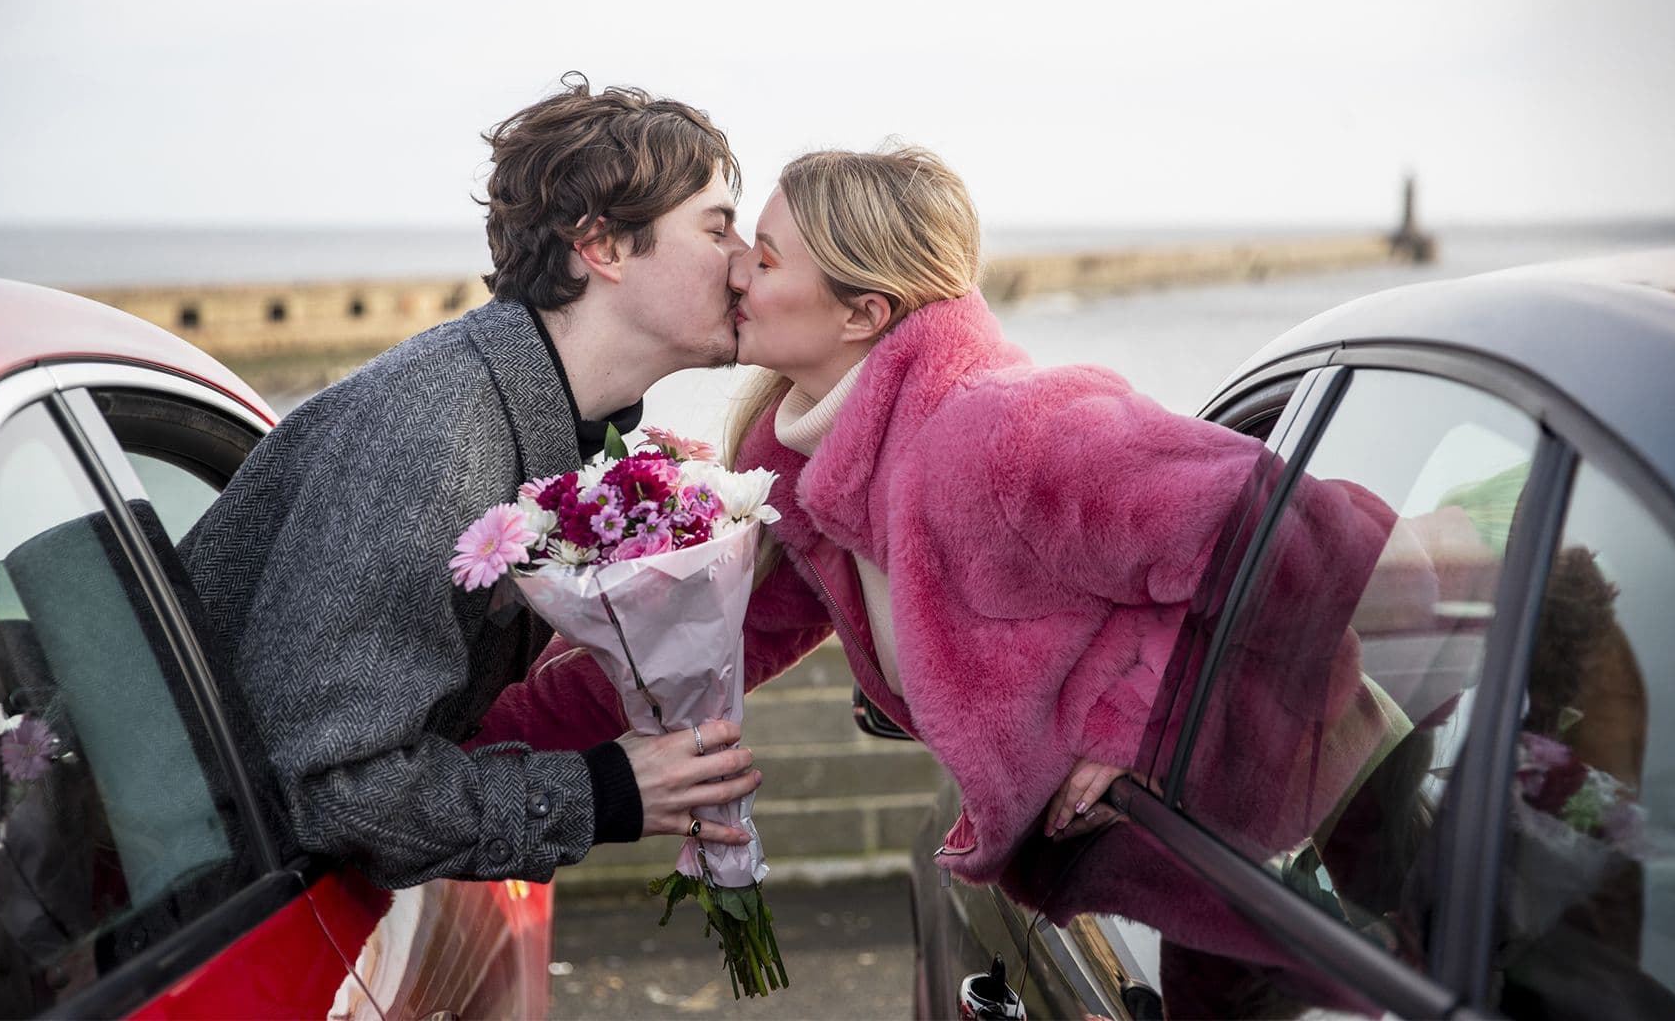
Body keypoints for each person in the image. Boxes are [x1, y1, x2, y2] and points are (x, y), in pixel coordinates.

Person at [475, 145, 1406, 966]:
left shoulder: (1003, 433)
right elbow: (707, 650)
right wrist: (462, 763)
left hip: (1337, 829)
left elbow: (1316, 538)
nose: (733, 278)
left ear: (862, 312)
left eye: (762, 259)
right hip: (1188, 888)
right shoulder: (796, 466)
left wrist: (1141, 732)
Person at [178, 74, 763, 888]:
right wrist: (603, 792)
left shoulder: (527, 418)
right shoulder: (437, 431)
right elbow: (331, 786)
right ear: (600, 246)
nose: (747, 266)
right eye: (718, 229)